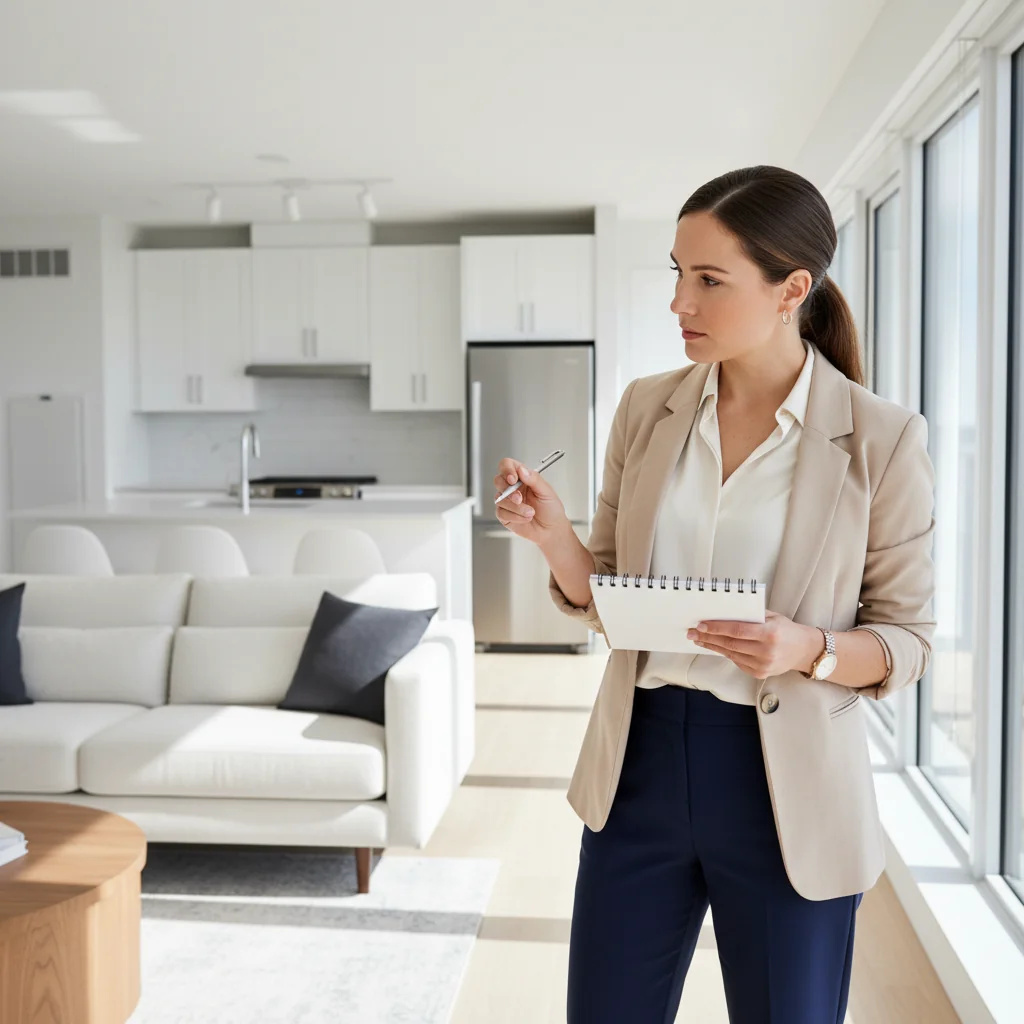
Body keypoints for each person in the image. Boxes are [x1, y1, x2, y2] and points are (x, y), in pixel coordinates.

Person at [492, 165, 936, 1024]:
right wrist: (554, 538)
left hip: (788, 791)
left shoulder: (882, 439)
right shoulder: (645, 409)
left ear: (790, 291)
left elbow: (908, 641)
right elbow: (612, 598)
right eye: (677, 273)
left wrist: (807, 648)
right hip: (641, 763)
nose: (679, 302)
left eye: (708, 280)